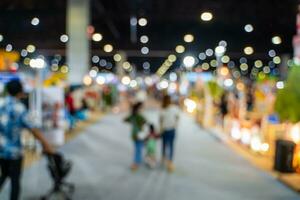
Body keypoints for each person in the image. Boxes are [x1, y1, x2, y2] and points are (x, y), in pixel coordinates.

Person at [0, 80, 55, 200]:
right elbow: (33, 129)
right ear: (20, 92)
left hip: (1, 150)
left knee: (4, 174)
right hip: (14, 152)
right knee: (15, 181)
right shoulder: (20, 108)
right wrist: (46, 144)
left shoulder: (1, 104)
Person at [160, 95, 180, 172]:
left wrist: (161, 128)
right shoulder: (174, 108)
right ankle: (169, 162)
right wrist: (175, 124)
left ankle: (164, 159)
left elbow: (160, 120)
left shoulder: (164, 109)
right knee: (170, 146)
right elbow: (178, 117)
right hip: (171, 129)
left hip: (166, 129)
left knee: (165, 145)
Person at [124, 102, 146, 171]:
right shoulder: (139, 116)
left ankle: (137, 161)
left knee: (137, 148)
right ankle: (136, 163)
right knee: (138, 149)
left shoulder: (132, 116)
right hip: (139, 135)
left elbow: (125, 120)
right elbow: (144, 121)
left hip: (134, 134)